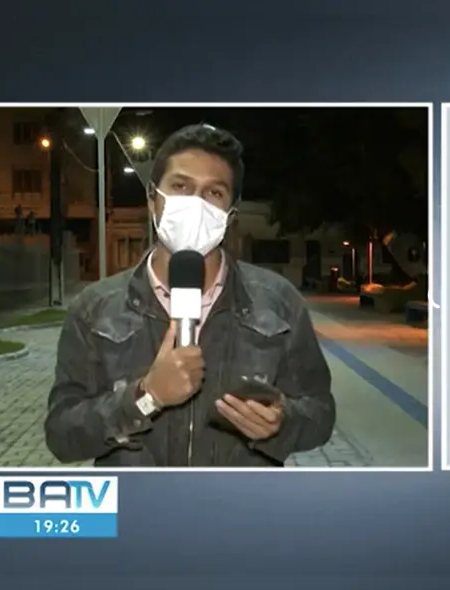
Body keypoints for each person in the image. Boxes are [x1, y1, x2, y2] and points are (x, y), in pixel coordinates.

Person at [44, 123, 336, 467]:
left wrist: (281, 424)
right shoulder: (95, 310)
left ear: (230, 215)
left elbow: (320, 412)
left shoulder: (279, 302)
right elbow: (62, 436)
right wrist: (145, 397)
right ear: (153, 199)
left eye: (214, 193)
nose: (195, 204)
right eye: (181, 186)